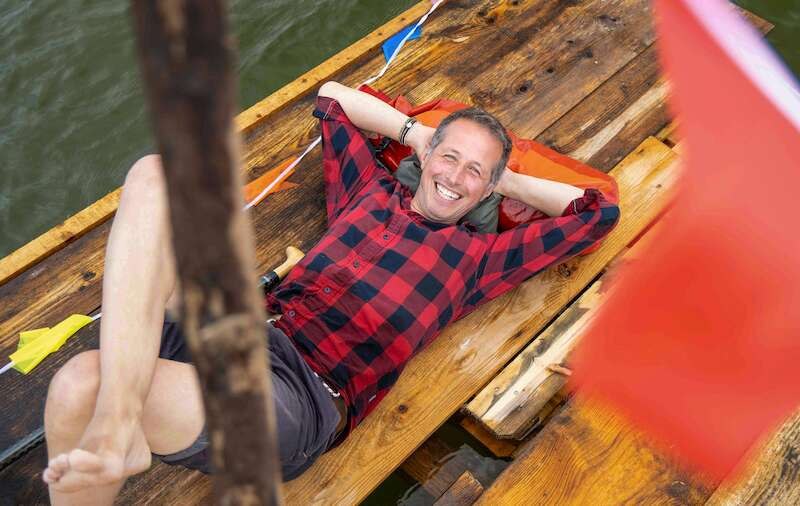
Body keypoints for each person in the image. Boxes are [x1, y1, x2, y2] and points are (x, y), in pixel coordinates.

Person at [41, 82, 619, 504]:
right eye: (449, 157)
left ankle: (116, 416)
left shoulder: (480, 258)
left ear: (489, 187)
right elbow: (332, 99)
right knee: (154, 174)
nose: (455, 176)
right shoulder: (367, 191)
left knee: (79, 384)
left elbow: (597, 214)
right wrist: (417, 134)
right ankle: (118, 422)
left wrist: (504, 178)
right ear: (425, 156)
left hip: (300, 396)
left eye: (475, 171)